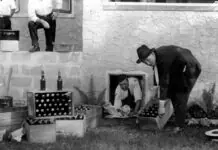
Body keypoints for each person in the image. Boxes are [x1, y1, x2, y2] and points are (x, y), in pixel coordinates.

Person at [136, 44, 201, 133]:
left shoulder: (163, 59)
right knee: (171, 91)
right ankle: (177, 118)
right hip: (178, 67)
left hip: (191, 67)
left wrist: (161, 106)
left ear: (152, 54)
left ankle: (180, 126)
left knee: (180, 94)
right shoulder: (157, 57)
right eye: (144, 62)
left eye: (148, 60)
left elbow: (164, 81)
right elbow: (159, 76)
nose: (147, 63)